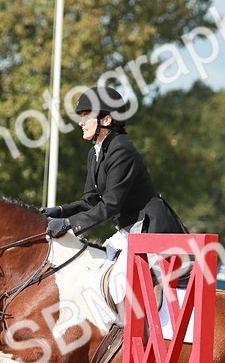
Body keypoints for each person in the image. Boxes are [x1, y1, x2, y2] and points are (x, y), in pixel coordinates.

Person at [41, 86, 185, 255]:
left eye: (86, 116)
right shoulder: (95, 152)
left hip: (150, 229)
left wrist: (69, 223)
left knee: (108, 266)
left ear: (106, 120)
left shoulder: (121, 150)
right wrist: (60, 211)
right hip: (129, 229)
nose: (81, 123)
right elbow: (90, 201)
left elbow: (110, 204)